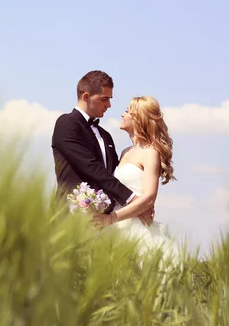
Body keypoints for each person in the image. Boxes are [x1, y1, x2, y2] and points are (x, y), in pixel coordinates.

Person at [51, 70, 153, 224]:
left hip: (103, 223)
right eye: (104, 99)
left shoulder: (105, 136)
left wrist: (139, 206)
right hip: (70, 219)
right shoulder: (67, 124)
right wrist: (131, 198)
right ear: (86, 97)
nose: (109, 105)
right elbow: (90, 166)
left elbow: (114, 175)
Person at [96, 96, 182, 266]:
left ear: (138, 118)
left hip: (136, 227)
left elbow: (149, 197)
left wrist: (112, 218)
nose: (122, 114)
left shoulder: (151, 153)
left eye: (128, 111)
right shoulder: (124, 152)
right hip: (117, 228)